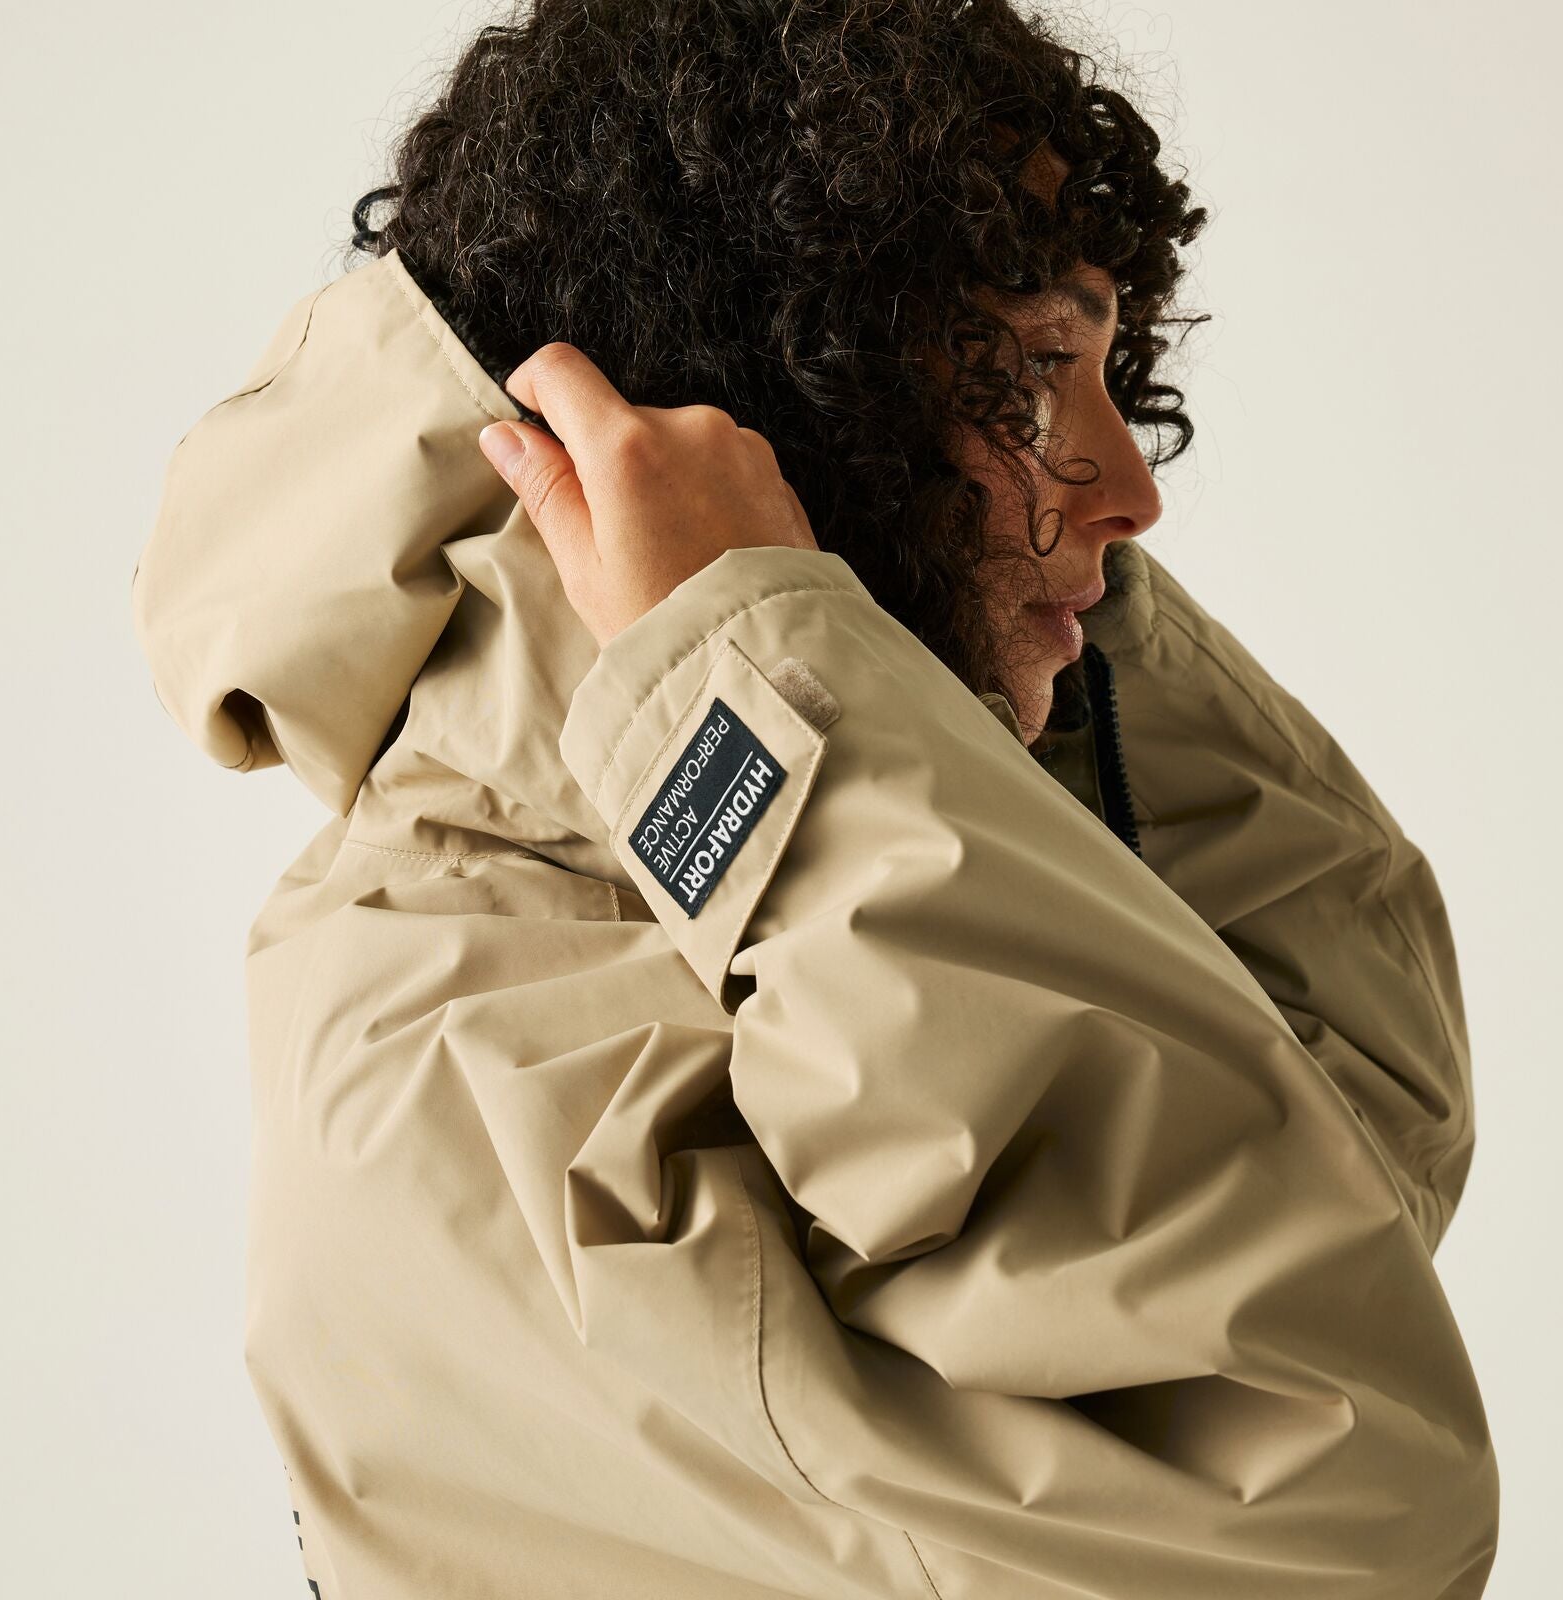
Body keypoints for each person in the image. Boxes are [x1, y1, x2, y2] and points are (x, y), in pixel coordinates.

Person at [130, 3, 1497, 1596]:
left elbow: (1359, 1119)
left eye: (1108, 372)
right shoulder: (461, 1047)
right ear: (774, 391)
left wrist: (887, 641)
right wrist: (750, 670)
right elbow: (1326, 1516)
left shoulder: (773, 831)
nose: (1135, 492)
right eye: (1036, 375)